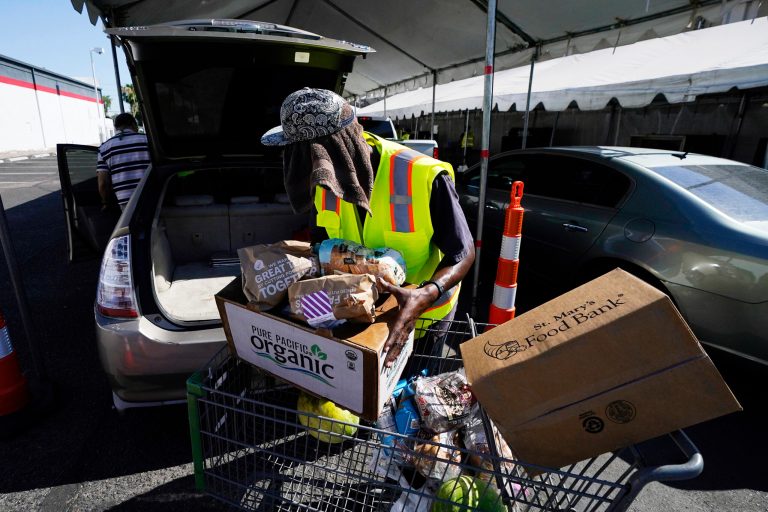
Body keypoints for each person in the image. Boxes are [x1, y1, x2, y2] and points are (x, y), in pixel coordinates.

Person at [261, 88, 475, 366]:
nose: (294, 165)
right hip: (360, 314)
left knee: (412, 395)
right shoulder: (324, 181)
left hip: (422, 317)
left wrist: (425, 294)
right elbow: (321, 245)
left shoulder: (421, 174)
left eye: (296, 155)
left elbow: (463, 252)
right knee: (370, 402)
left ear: (326, 153)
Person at [97, 113, 150, 210]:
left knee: (131, 225)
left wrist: (105, 202)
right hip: (150, 195)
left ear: (116, 127)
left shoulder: (104, 148)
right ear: (133, 125)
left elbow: (103, 183)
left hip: (125, 201)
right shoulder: (147, 140)